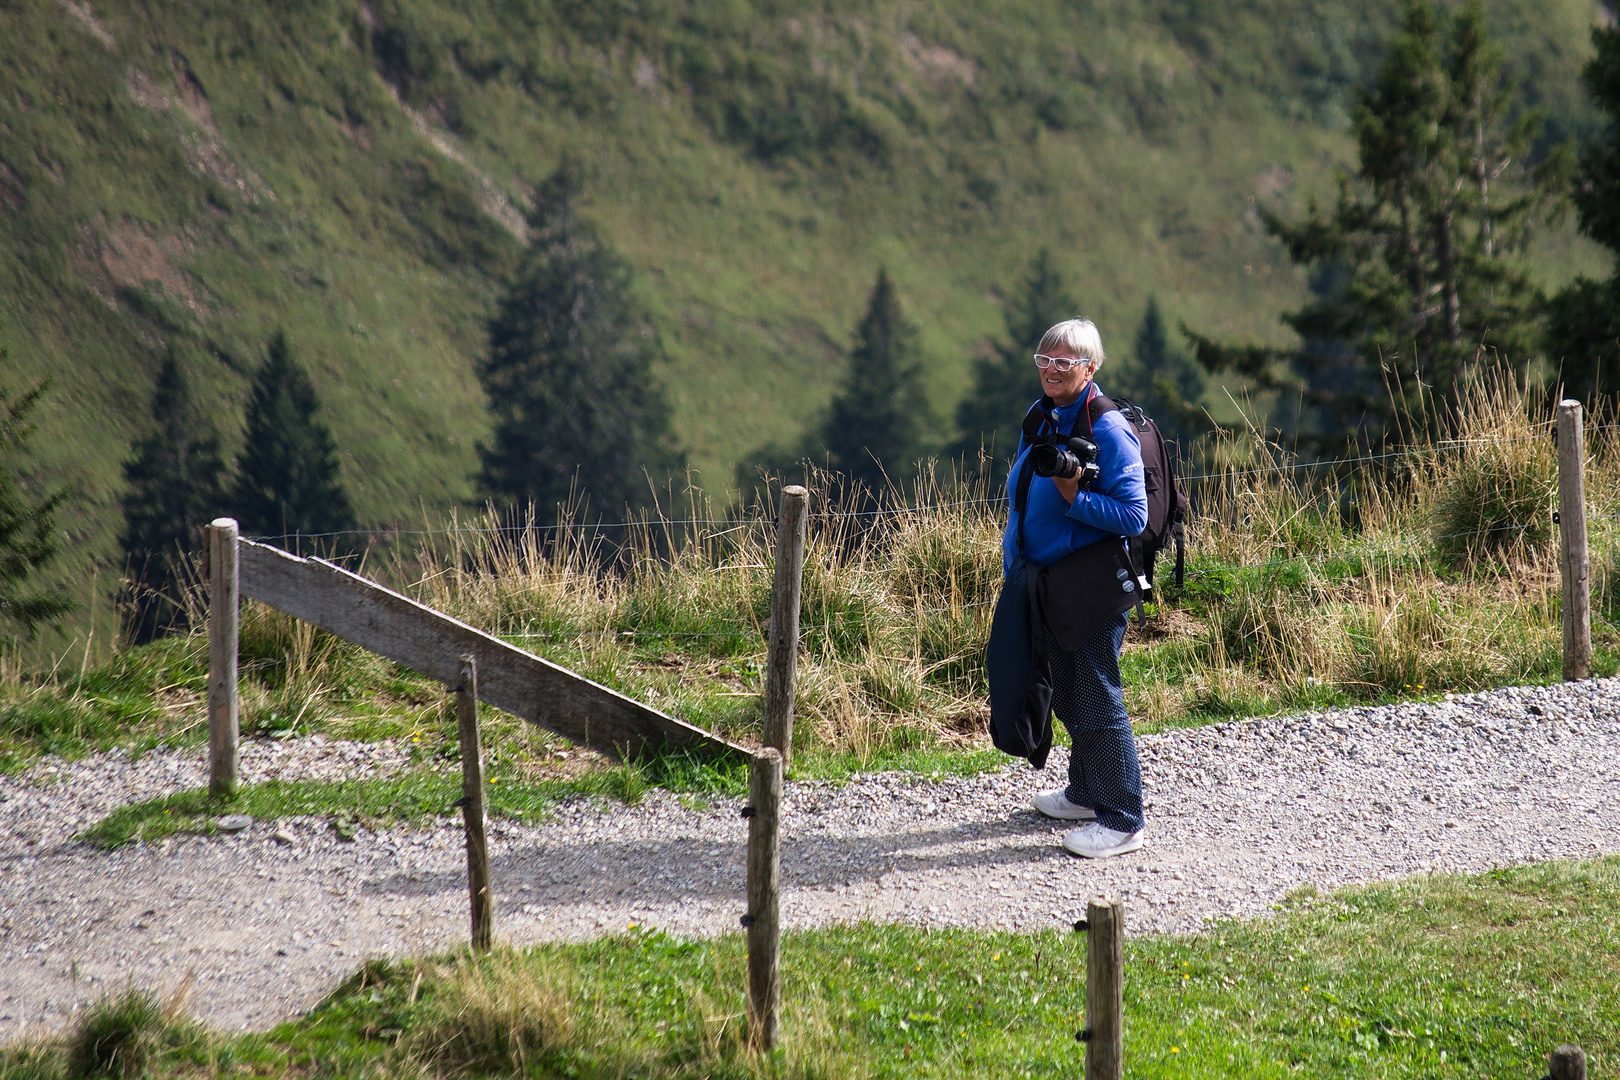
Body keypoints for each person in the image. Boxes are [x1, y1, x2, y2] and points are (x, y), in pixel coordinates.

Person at [1002, 318, 1148, 858]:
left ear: (1091, 368)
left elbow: (1134, 515)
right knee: (1066, 689)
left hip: (1087, 585)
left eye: (1066, 363)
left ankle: (1123, 819)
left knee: (1095, 695)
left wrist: (1074, 496)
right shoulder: (1042, 415)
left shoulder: (1107, 429)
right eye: (1045, 360)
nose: (1053, 370)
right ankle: (1088, 793)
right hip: (1042, 579)